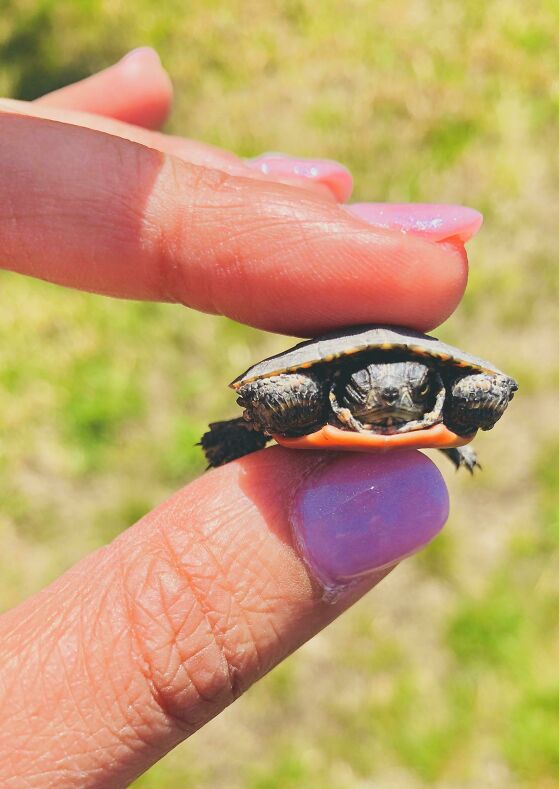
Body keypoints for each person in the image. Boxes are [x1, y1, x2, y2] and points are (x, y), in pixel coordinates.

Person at [0, 48, 481, 786]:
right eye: (375, 391)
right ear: (348, 386)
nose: (388, 400)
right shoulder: (324, 392)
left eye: (407, 393)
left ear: (428, 387)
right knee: (274, 411)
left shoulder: (430, 393)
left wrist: (455, 423)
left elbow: (482, 393)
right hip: (321, 399)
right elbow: (287, 389)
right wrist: (261, 415)